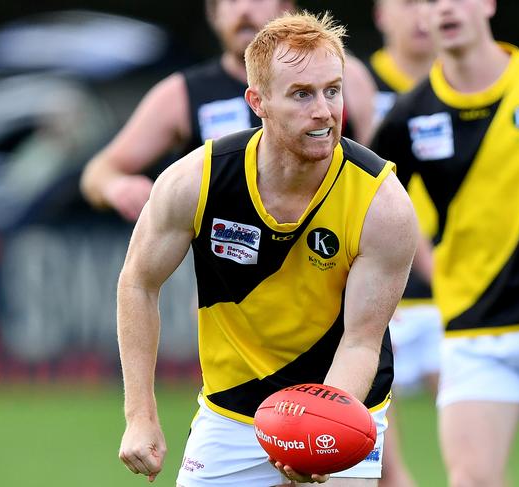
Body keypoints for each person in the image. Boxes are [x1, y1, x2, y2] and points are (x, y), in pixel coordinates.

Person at [116, 11, 418, 487]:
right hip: (231, 413)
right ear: (258, 102)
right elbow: (138, 282)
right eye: (302, 94)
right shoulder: (197, 180)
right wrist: (140, 415)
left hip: (342, 408)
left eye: (332, 90)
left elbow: (361, 340)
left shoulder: (382, 203)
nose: (324, 110)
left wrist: (317, 434)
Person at [371, 0, 519, 486]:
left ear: (487, 4)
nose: (444, 9)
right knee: (472, 481)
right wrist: (375, 283)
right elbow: (364, 202)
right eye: (430, 2)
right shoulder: (411, 113)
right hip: (475, 333)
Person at [79, 0, 377, 222]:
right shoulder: (181, 94)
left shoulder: (345, 76)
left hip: (336, 277)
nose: (244, 10)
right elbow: (99, 172)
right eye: (231, 1)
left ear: (287, 7)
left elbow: (380, 178)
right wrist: (116, 186)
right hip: (229, 291)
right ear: (213, 14)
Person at [369, 2, 439, 485]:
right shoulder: (350, 83)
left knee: (477, 454)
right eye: (408, 2)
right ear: (380, 13)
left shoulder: (472, 85)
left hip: (451, 291)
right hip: (371, 287)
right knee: (377, 464)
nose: (422, 15)